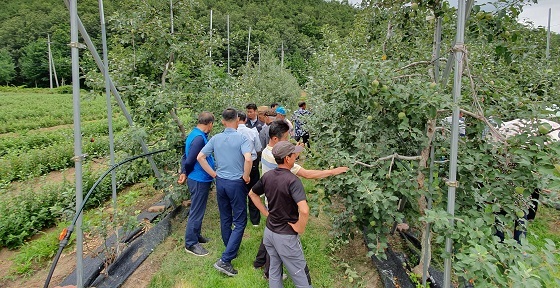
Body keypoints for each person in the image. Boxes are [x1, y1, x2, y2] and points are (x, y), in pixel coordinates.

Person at [253, 119, 349, 278]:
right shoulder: (278, 162)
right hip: (279, 200)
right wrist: (334, 171)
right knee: (278, 236)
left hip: (271, 195)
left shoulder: (266, 150)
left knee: (270, 232)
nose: (289, 142)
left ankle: (259, 261)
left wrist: (297, 149)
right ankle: (269, 272)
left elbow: (289, 150)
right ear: (276, 140)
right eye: (286, 139)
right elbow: (308, 174)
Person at [197, 108, 253, 277]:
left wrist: (213, 174)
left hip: (221, 182)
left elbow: (200, 157)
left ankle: (231, 248)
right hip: (236, 183)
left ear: (222, 121)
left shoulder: (215, 138)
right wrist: (246, 176)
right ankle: (225, 259)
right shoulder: (243, 138)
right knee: (241, 220)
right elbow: (249, 159)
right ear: (237, 120)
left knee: (225, 218)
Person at [249, 141, 312, 288]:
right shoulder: (293, 181)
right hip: (286, 238)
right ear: (287, 159)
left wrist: (265, 212)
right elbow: (304, 210)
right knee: (299, 274)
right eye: (294, 154)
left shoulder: (268, 176)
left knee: (274, 270)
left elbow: (252, 193)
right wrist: (300, 227)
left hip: (269, 233)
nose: (296, 155)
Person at [177, 112, 215, 256]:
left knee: (200, 208)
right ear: (209, 123)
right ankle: (190, 243)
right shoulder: (199, 138)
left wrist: (183, 172)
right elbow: (190, 159)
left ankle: (196, 235)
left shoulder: (195, 134)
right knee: (196, 211)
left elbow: (185, 156)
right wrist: (185, 173)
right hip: (198, 179)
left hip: (199, 178)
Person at [237, 111, 263, 226]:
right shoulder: (252, 132)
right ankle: (255, 221)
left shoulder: (233, 133)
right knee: (253, 191)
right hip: (252, 163)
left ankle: (240, 219)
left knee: (239, 193)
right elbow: (258, 148)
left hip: (238, 165)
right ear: (246, 120)